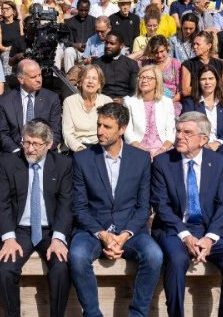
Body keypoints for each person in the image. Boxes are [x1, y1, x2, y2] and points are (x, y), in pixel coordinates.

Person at [69, 102, 163, 317]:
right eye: (99, 125)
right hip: (92, 230)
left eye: (107, 127)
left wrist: (123, 236)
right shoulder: (82, 158)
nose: (100, 131)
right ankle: (93, 314)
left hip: (129, 231)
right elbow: (80, 207)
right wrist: (102, 234)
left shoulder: (140, 159)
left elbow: (143, 206)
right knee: (77, 255)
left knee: (154, 255)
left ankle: (137, 314)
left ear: (122, 129)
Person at [151, 111, 223, 317]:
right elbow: (161, 205)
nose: (179, 136)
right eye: (178, 131)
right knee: (176, 260)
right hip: (174, 229)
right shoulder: (163, 162)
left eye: (187, 132)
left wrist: (210, 238)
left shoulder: (219, 163)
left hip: (210, 229)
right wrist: (186, 236)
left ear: (203, 139)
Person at [0, 120, 73, 317]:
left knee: (62, 268)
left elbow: (66, 204)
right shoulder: (9, 162)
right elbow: (1, 202)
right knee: (5, 270)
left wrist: (58, 237)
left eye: (36, 144)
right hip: (19, 230)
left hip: (50, 231)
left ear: (49, 144)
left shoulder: (63, 164)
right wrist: (8, 237)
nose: (29, 149)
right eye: (26, 142)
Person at [0, 59, 62, 153]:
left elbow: (55, 131)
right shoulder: (5, 101)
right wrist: (17, 151)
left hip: (43, 151)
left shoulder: (51, 99)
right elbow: (2, 133)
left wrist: (42, 149)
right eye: (33, 77)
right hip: (15, 152)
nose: (39, 80)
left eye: (40, 75)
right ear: (21, 79)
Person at [181, 65, 223, 168]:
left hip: (220, 147)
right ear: (198, 82)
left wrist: (217, 143)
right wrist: (203, 143)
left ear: (217, 81)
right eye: (203, 79)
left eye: (211, 78)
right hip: (198, 146)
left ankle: (220, 179)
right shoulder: (190, 104)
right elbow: (186, 129)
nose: (207, 82)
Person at [123, 65, 176, 159]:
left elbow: (170, 132)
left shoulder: (167, 102)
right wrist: (143, 152)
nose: (144, 80)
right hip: (138, 149)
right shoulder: (129, 102)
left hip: (162, 149)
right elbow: (128, 133)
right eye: (142, 77)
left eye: (149, 78)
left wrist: (162, 150)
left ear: (157, 81)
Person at [62, 65, 113, 152]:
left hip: (100, 148)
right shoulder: (69, 101)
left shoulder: (107, 101)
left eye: (94, 78)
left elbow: (110, 130)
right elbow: (67, 133)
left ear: (99, 84)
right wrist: (79, 149)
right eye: (87, 77)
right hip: (76, 148)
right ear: (80, 82)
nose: (90, 81)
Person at [181, 31, 223, 99]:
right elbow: (185, 91)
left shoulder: (220, 64)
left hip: (216, 101)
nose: (194, 47)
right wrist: (208, 91)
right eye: (194, 44)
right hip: (195, 101)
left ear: (208, 46)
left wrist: (211, 95)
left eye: (198, 44)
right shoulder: (188, 64)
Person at [140, 35, 182, 113]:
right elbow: (127, 60)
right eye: (156, 52)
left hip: (171, 101)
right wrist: (144, 51)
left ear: (167, 48)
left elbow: (181, 91)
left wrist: (169, 103)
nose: (159, 55)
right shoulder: (147, 63)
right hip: (151, 100)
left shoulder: (175, 63)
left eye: (162, 51)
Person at [95, 33, 139, 100]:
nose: (108, 46)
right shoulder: (97, 63)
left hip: (125, 101)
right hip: (103, 100)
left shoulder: (131, 64)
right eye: (106, 43)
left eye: (112, 43)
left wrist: (124, 100)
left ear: (121, 46)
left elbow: (134, 89)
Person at [63, 0, 96, 72]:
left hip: (91, 51)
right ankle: (69, 78)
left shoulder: (94, 21)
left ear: (89, 9)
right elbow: (66, 40)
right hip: (76, 50)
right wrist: (75, 45)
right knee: (68, 51)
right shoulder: (70, 22)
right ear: (77, 8)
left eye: (86, 10)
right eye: (81, 10)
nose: (83, 12)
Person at [0, 0, 23, 75]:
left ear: (13, 11)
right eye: (3, 9)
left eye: (7, 8)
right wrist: (8, 49)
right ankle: (7, 81)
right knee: (6, 57)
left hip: (18, 49)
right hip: (6, 50)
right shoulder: (0, 25)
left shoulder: (19, 23)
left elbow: (22, 38)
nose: (4, 10)